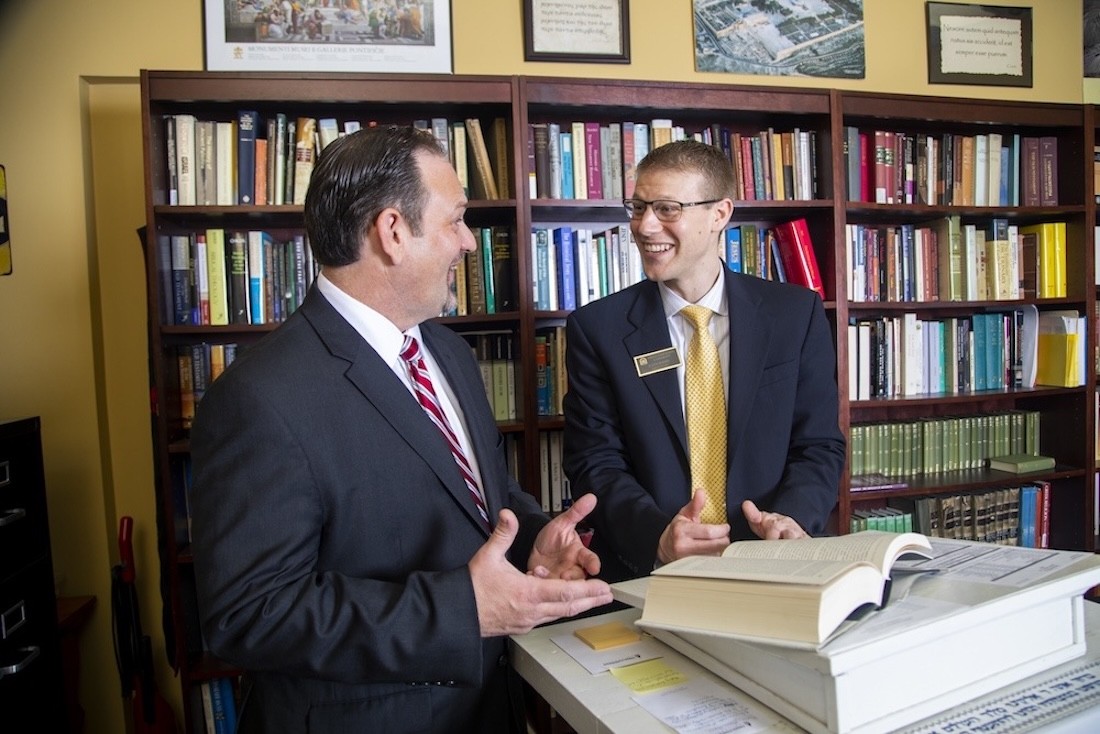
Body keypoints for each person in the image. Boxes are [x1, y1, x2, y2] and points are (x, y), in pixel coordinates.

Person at [189, 125, 613, 733]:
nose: (469, 242)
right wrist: (460, 609)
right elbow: (249, 614)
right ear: (392, 232)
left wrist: (534, 542)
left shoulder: (448, 351)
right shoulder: (258, 398)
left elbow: (484, 498)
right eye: (456, 220)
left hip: (489, 706)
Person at [562, 139, 845, 583]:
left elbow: (818, 444)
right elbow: (595, 462)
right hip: (652, 573)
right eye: (637, 208)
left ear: (720, 214)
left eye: (667, 209)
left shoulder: (795, 315)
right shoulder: (597, 329)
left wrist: (791, 519)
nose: (645, 226)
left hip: (774, 566)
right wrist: (656, 535)